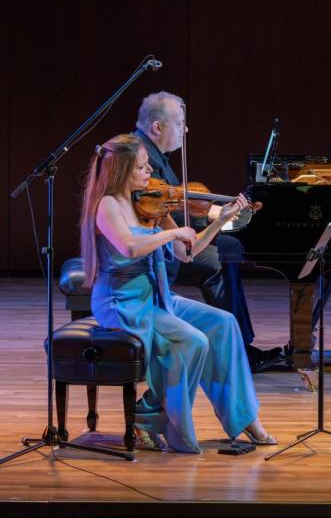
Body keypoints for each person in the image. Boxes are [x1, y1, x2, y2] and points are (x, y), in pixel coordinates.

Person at [80, 133, 276, 453]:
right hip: (123, 302)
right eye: (143, 167)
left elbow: (188, 252)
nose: (150, 174)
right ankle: (150, 414)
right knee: (194, 341)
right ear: (122, 170)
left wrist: (220, 221)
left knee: (224, 323)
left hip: (157, 297)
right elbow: (129, 246)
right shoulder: (107, 205)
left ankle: (243, 417)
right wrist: (171, 231)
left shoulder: (150, 201)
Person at [132, 92, 282, 372]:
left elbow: (174, 205)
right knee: (220, 261)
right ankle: (239, 352)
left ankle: (240, 346)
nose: (185, 130)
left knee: (225, 253)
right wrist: (215, 217)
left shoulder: (152, 155)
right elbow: (164, 215)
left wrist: (213, 215)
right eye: (180, 123)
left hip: (167, 246)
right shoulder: (140, 160)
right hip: (156, 258)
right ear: (157, 127)